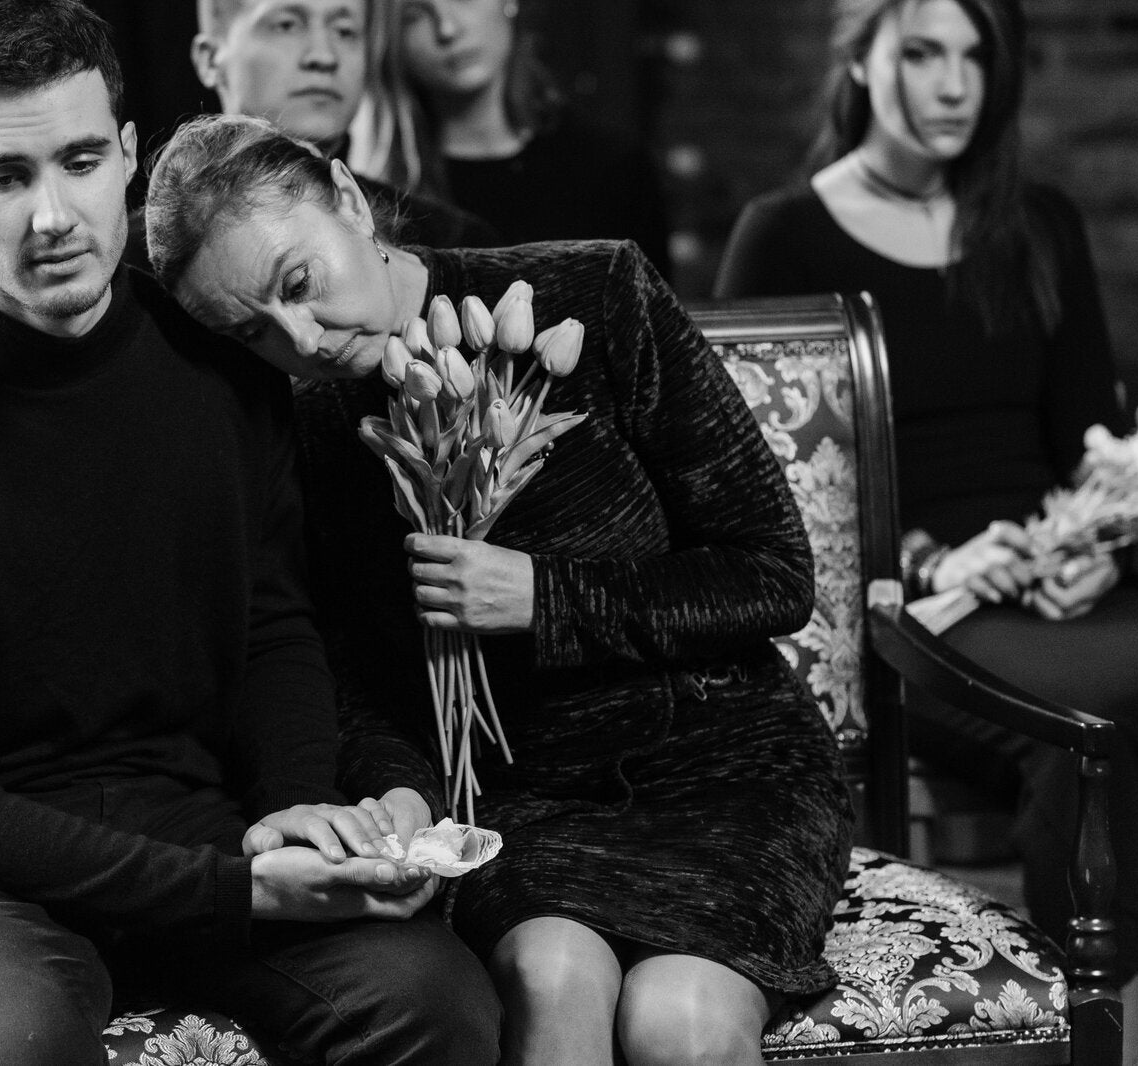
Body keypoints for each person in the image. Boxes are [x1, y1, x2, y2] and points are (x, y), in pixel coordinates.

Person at [0, 0, 500, 1066]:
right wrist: (234, 888)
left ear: (128, 156)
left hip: (192, 811)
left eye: (80, 161)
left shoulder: (221, 365)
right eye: (5, 175)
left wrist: (295, 808)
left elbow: (274, 628)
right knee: (12, 1042)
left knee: (434, 1002)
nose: (52, 215)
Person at [144, 113, 853, 1066]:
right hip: (513, 800)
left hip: (729, 772)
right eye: (252, 332)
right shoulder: (295, 428)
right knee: (551, 977)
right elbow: (349, 681)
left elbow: (774, 573)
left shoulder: (595, 293)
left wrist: (542, 598)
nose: (300, 340)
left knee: (679, 1021)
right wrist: (402, 797)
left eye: (299, 284)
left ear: (348, 200)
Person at [715, 0, 1138, 1066]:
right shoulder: (783, 235)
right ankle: (1132, 1030)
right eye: (922, 53)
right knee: (1096, 741)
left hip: (1060, 576)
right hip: (919, 603)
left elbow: (1087, 439)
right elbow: (766, 496)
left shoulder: (1039, 224)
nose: (954, 86)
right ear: (859, 57)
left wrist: (1095, 547)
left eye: (976, 55)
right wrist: (926, 559)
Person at [349, 0, 670, 273]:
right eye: (413, 16)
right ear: (387, 38)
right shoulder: (365, 200)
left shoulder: (614, 170)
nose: (448, 28)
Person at [189, 0, 499, 251]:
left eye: (345, 31)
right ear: (210, 59)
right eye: (287, 25)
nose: (324, 56)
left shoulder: (448, 242)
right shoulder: (158, 247)